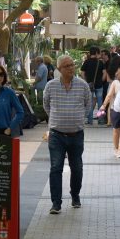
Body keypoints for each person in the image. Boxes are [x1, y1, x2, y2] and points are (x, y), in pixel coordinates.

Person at [43, 55, 92, 214]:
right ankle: (56, 203)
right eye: (66, 66)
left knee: (76, 167)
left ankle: (75, 195)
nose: (71, 68)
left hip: (76, 134)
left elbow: (88, 105)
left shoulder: (82, 85)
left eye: (72, 64)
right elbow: (47, 106)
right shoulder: (50, 86)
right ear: (59, 69)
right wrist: (58, 119)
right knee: (55, 167)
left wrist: (77, 119)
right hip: (56, 134)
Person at [81, 47, 105, 125]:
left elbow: (82, 73)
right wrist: (101, 80)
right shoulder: (100, 62)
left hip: (89, 85)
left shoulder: (86, 62)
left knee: (90, 103)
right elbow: (104, 73)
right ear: (96, 53)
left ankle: (90, 120)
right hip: (99, 85)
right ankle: (101, 120)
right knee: (100, 103)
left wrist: (85, 81)